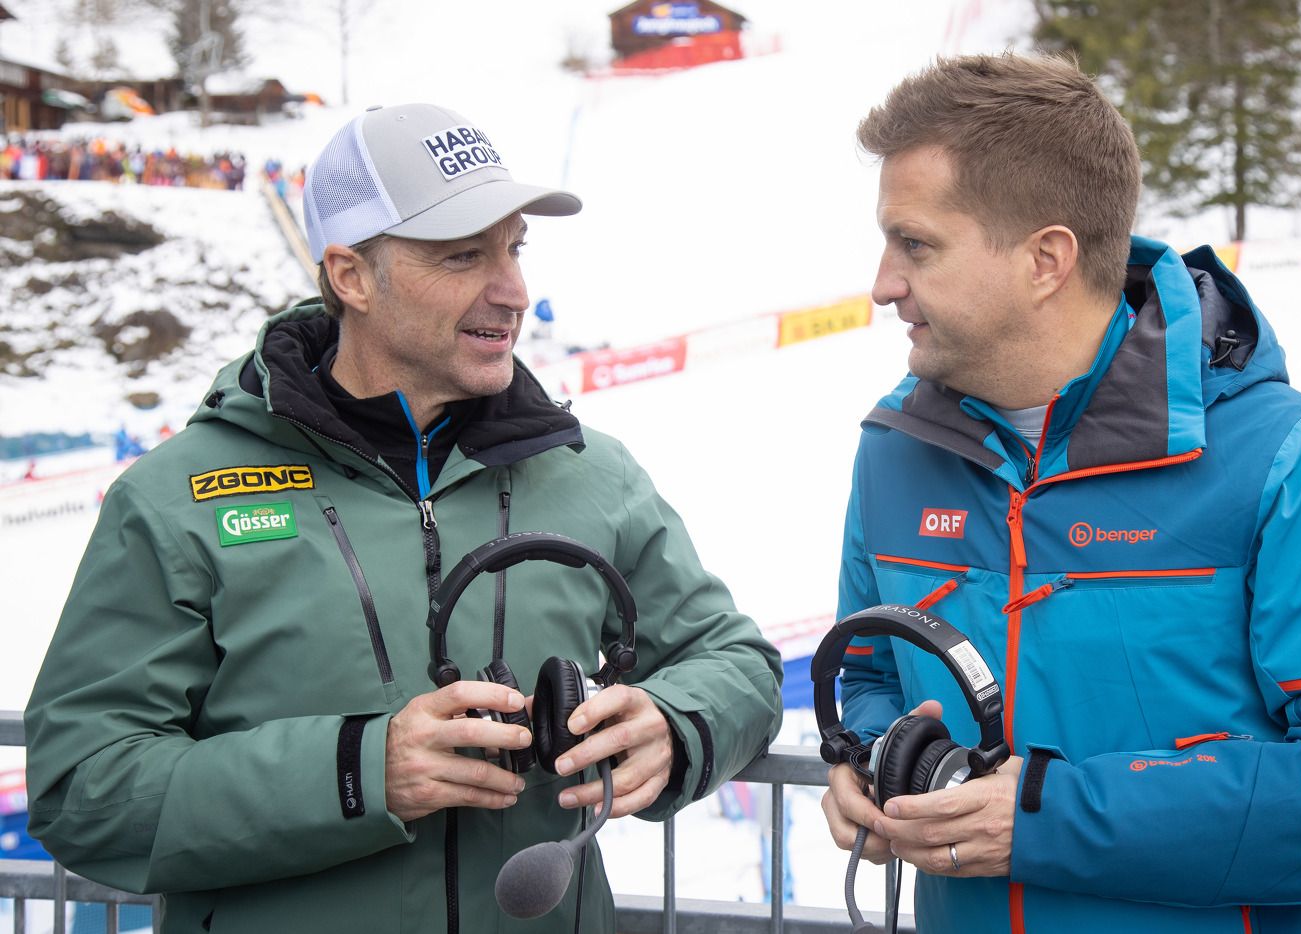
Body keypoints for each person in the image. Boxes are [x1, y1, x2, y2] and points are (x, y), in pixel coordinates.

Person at [25, 103, 783, 934]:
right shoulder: (178, 500)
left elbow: (735, 660)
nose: (514, 291)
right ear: (351, 276)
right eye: (465, 255)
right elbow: (81, 788)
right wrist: (356, 772)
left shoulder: (589, 474)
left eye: (515, 248)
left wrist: (676, 727)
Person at [818, 53, 1301, 933]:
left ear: (1046, 258)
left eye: (917, 245)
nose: (884, 283)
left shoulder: (1285, 458)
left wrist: (1048, 817)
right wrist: (877, 758)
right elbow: (869, 668)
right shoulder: (895, 452)